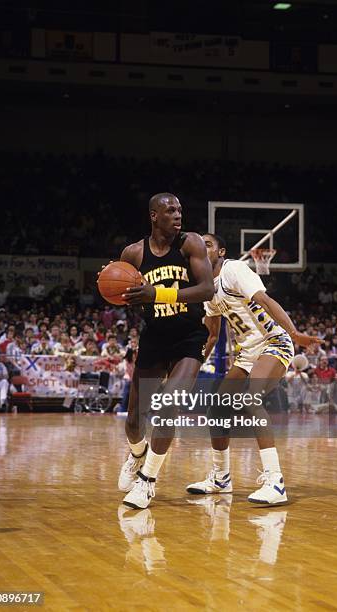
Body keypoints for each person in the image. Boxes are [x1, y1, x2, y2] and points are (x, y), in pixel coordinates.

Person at [186, 234, 320, 505]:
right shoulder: (206, 289)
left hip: (275, 341)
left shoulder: (233, 269)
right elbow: (212, 336)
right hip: (248, 353)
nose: (203, 247)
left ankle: (275, 482)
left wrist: (294, 333)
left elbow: (266, 301)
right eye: (199, 245)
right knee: (217, 407)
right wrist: (190, 370)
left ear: (221, 251)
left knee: (250, 397)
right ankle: (221, 478)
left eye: (208, 244)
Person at [116, 193, 214, 509]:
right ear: (153, 215)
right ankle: (137, 454)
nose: (177, 214)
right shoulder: (133, 253)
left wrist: (156, 293)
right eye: (170, 210)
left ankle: (147, 482)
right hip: (155, 336)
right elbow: (120, 293)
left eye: (180, 209)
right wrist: (111, 283)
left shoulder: (192, 244)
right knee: (133, 421)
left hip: (189, 336)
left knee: (168, 406)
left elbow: (206, 289)